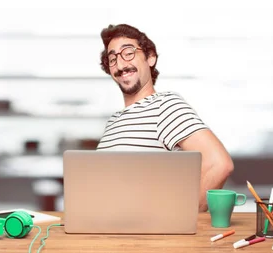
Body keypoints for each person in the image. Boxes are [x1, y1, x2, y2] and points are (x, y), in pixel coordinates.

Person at [96, 24, 233, 212]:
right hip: (108, 229)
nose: (120, 65)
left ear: (150, 57)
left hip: (147, 237)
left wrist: (184, 217)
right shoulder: (114, 121)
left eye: (128, 52)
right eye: (112, 59)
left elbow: (218, 163)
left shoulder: (165, 105)